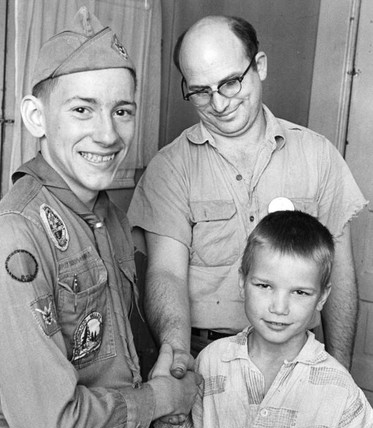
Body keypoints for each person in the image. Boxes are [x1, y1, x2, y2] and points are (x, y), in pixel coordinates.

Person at [0, 7, 200, 428]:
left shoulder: (106, 217)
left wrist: (166, 362)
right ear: (36, 116)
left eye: (122, 110)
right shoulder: (12, 234)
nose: (108, 134)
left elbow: (115, 350)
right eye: (82, 109)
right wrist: (161, 398)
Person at [128, 15, 367, 373]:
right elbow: (167, 275)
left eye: (229, 83)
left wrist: (339, 374)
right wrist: (177, 359)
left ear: (259, 66)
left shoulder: (318, 157)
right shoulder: (170, 168)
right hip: (203, 359)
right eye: (200, 91)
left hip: (298, 362)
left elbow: (341, 276)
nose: (219, 104)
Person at [155, 210, 373, 428]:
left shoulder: (341, 391)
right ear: (242, 282)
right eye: (264, 286)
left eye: (300, 292)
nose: (279, 307)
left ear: (322, 296)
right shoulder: (210, 363)